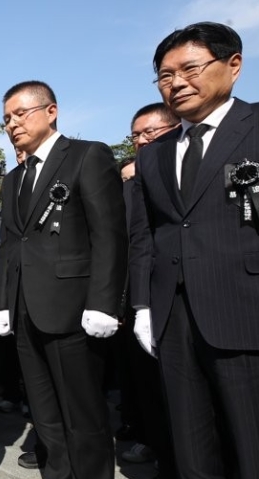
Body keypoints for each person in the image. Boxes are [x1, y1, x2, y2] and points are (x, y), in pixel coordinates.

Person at [130, 22, 259, 477]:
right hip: (174, 318)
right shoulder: (154, 153)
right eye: (165, 76)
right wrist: (143, 305)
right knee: (189, 445)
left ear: (234, 65)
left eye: (190, 68)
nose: (177, 83)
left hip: (245, 312)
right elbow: (146, 233)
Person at [0, 80, 126, 479]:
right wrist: (4, 302)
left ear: (51, 111)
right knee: (45, 414)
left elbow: (108, 234)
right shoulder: (14, 178)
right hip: (25, 311)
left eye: (20, 114)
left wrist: (104, 303)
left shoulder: (88, 156)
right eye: (6, 119)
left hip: (72, 310)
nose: (12, 124)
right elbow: (12, 245)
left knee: (82, 415)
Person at [116, 103, 178, 477]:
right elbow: (133, 243)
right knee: (146, 384)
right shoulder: (133, 188)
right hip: (141, 298)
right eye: (136, 135)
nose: (142, 141)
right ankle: (156, 444)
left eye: (150, 133)